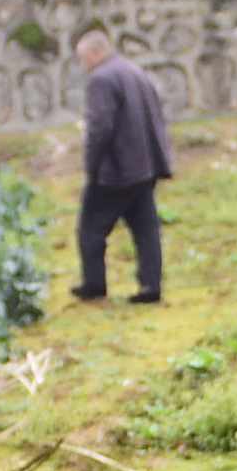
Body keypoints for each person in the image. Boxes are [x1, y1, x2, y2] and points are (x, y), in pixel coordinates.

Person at [71, 27, 172, 304]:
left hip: (116, 171)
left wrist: (92, 167)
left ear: (95, 52)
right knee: (145, 229)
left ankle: (94, 285)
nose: (83, 65)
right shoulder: (133, 71)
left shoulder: (101, 79)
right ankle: (150, 286)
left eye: (83, 58)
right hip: (145, 166)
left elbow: (99, 127)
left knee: (90, 228)